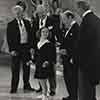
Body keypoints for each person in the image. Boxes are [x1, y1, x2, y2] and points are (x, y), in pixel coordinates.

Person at [7, 1, 35, 93]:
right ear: (14, 14)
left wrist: (31, 47)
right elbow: (9, 39)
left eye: (20, 13)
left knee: (26, 68)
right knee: (15, 69)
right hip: (16, 49)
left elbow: (31, 36)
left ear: (22, 13)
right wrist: (12, 50)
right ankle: (14, 87)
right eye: (17, 13)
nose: (18, 14)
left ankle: (27, 85)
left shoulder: (27, 22)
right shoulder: (10, 24)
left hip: (26, 48)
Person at [76, 1, 100, 100]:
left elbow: (83, 44)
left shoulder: (86, 21)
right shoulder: (96, 19)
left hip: (86, 63)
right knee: (91, 90)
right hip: (95, 61)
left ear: (81, 8)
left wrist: (77, 58)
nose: (76, 11)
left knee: (85, 92)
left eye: (77, 9)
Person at [60, 10, 79, 100]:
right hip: (66, 58)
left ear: (70, 17)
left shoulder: (76, 28)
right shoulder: (67, 28)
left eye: (64, 18)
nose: (63, 21)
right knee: (67, 78)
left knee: (72, 79)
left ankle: (74, 97)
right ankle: (71, 95)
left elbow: (77, 45)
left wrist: (68, 52)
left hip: (71, 59)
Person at [34, 27, 56, 100]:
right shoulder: (38, 43)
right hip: (38, 64)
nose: (45, 33)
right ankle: (43, 93)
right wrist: (32, 60)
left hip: (45, 64)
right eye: (43, 32)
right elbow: (36, 54)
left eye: (47, 32)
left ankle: (45, 94)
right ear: (40, 33)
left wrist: (47, 62)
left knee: (43, 80)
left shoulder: (49, 44)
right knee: (40, 79)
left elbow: (52, 55)